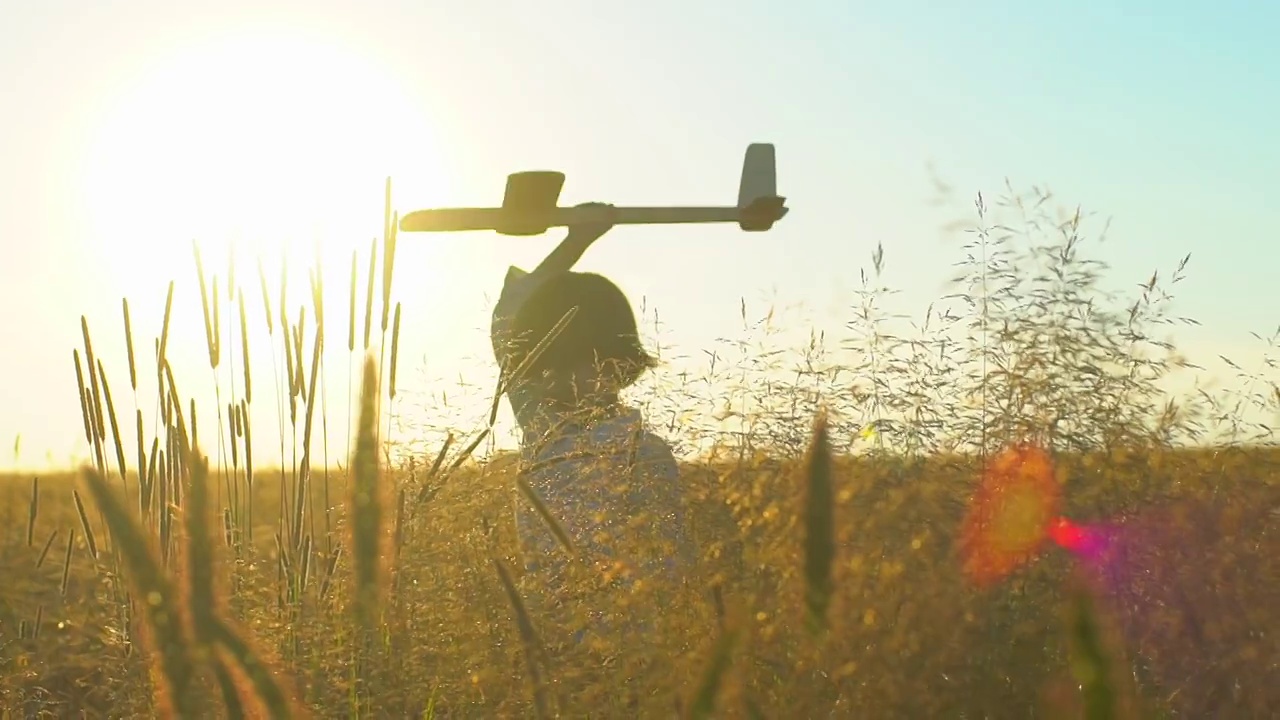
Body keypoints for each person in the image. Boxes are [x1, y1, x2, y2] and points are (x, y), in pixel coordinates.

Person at [490, 204, 697, 705]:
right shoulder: (540, 420)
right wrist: (575, 241)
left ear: (620, 363)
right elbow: (509, 314)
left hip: (629, 660)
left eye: (583, 360)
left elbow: (674, 569)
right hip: (552, 652)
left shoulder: (644, 453)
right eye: (550, 361)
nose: (564, 378)